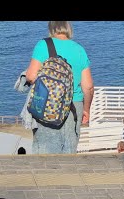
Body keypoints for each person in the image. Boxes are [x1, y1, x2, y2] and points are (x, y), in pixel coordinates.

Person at [25, 21, 94, 154]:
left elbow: (31, 76)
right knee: (69, 148)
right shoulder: (79, 49)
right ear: (69, 28)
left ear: (51, 28)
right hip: (74, 106)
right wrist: (86, 110)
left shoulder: (43, 45)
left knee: (45, 148)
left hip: (48, 104)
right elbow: (89, 86)